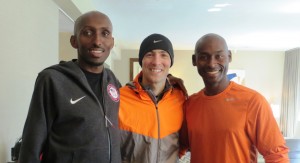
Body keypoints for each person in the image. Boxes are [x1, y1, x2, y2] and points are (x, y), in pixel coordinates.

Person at [18, 11, 122, 163]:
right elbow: (31, 144)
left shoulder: (112, 80)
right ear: (74, 41)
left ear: (112, 42)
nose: (97, 41)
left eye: (104, 33)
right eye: (87, 32)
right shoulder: (52, 79)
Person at [180, 33, 290, 163]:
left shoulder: (253, 101)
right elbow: (176, 148)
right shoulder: (190, 104)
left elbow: (277, 156)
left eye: (219, 56)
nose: (211, 63)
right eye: (204, 57)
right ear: (194, 60)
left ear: (229, 57)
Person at [119, 33, 186, 163]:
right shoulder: (119, 98)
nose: (156, 62)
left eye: (163, 55)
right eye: (149, 54)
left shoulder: (180, 98)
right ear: (141, 61)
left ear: (170, 61)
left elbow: (183, 143)